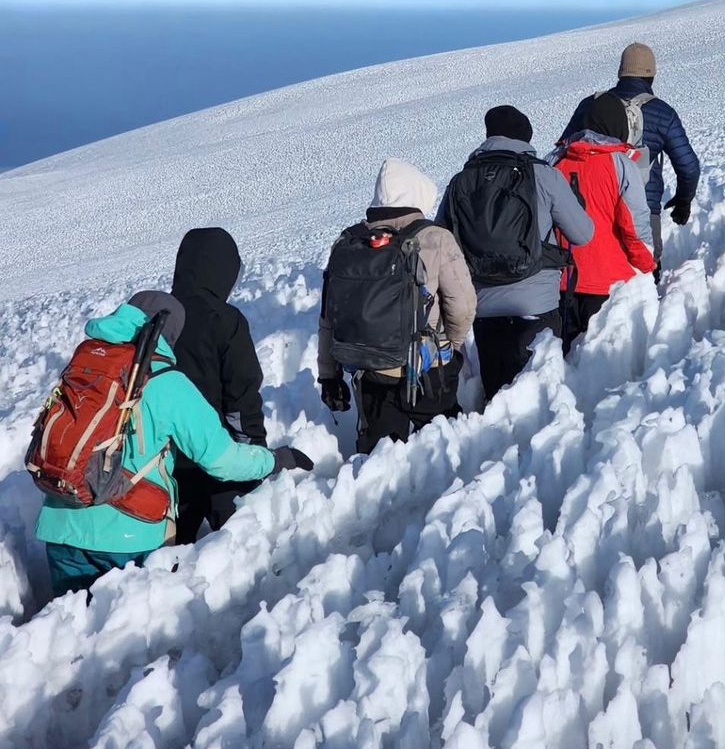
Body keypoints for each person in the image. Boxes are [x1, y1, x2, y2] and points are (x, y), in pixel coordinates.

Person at [33, 291, 311, 596]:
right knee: (128, 625)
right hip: (129, 536)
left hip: (61, 526)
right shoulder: (168, 382)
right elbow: (223, 461)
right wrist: (275, 459)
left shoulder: (85, 365)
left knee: (70, 622)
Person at [438, 105, 594, 402]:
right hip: (536, 304)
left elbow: (442, 242)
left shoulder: (461, 180)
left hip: (484, 308)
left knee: (498, 400)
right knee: (539, 402)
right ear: (525, 138)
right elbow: (583, 234)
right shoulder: (543, 175)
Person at [319, 159, 476, 454]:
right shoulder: (435, 238)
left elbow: (329, 318)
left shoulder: (349, 242)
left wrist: (329, 375)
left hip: (369, 371)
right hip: (428, 371)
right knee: (445, 451)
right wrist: (451, 347)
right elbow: (463, 305)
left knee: (380, 456)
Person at [558, 43, 700, 272]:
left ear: (620, 72)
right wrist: (684, 201)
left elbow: (564, 149)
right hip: (643, 209)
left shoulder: (591, 105)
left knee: (590, 276)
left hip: (589, 208)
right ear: (652, 75)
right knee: (645, 272)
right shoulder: (663, 113)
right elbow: (688, 166)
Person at [170, 227, 268, 544]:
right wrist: (255, 455)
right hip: (218, 460)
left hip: (165, 467)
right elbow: (242, 398)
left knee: (169, 557)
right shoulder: (225, 320)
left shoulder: (157, 316)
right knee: (235, 550)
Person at [553, 93, 656, 353]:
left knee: (563, 364)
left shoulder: (556, 162)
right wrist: (647, 264)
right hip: (609, 284)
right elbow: (634, 226)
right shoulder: (621, 165)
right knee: (602, 364)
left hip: (562, 283)